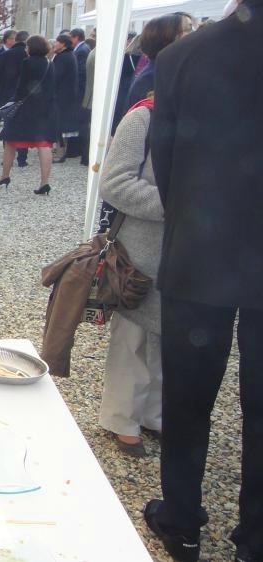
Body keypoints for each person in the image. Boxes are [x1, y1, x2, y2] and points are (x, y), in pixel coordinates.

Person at [144, 2, 263, 561]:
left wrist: (194, 220)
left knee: (188, 402)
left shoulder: (182, 56)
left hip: (201, 250)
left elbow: (165, 163)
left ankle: (183, 523)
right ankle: (254, 542)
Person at [97, 96, 163, 458]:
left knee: (171, 337)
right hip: (140, 251)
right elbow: (115, 183)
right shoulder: (144, 117)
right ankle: (122, 419)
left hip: (190, 252)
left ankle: (155, 414)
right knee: (133, 335)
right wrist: (179, 203)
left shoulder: (217, 114)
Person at [0, 35, 57, 195]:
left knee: (10, 142)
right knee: (44, 145)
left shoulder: (27, 63)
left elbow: (21, 88)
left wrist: (12, 101)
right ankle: (44, 182)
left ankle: (5, 176)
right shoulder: (50, 63)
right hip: (45, 110)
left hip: (26, 109)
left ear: (31, 48)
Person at [0, 31, 30, 167]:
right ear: (6, 40)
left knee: (11, 123)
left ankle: (11, 151)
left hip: (14, 94)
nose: (13, 41)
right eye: (11, 38)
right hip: (0, 94)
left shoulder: (23, 54)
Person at [127, 15, 185, 109]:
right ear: (167, 38)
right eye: (186, 30)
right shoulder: (151, 78)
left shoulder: (161, 72)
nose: (192, 35)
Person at [51, 34, 79, 162]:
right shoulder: (70, 55)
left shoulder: (63, 57)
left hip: (61, 96)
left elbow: (55, 77)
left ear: (63, 44)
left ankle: (60, 152)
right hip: (68, 96)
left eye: (57, 42)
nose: (54, 44)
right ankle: (61, 150)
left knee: (59, 125)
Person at [68, 28, 91, 165]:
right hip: (81, 91)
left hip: (81, 92)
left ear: (76, 37)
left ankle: (78, 150)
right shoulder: (82, 48)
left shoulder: (82, 51)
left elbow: (81, 73)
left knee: (81, 122)